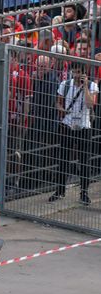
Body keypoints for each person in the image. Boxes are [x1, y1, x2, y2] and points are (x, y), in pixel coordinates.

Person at [51, 62, 98, 205]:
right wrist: (62, 110)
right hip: (68, 125)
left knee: (84, 161)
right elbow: (58, 102)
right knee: (63, 159)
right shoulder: (65, 85)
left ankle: (84, 192)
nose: (76, 75)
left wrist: (84, 87)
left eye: (79, 72)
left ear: (84, 73)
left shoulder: (92, 86)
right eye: (74, 72)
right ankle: (60, 190)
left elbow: (91, 104)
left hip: (84, 127)